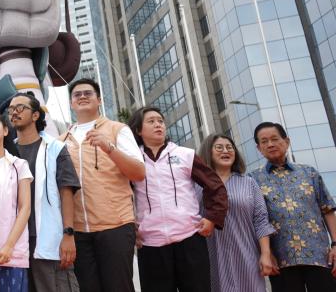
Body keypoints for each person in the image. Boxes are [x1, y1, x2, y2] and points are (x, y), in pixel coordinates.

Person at [58, 78, 145, 292]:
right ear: (71, 103)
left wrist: (109, 148)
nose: (82, 96)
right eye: (77, 94)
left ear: (99, 100)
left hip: (115, 225)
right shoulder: (60, 141)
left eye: (88, 93)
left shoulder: (118, 129)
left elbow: (138, 173)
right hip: (78, 230)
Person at [128, 107, 227, 292]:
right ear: (138, 130)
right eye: (151, 121)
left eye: (160, 121)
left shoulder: (185, 154)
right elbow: (120, 196)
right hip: (150, 243)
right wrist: (130, 227)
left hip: (190, 238)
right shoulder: (132, 161)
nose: (158, 124)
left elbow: (215, 186)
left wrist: (212, 218)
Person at [249, 122, 336, 291]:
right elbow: (256, 220)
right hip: (281, 261)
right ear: (259, 148)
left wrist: (335, 244)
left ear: (286, 141)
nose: (270, 144)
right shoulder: (252, 179)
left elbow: (327, 210)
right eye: (264, 141)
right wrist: (266, 253)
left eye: (275, 139)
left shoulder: (309, 172)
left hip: (319, 256)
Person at [8, 92, 80, 292]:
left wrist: (68, 234)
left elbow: (66, 192)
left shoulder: (55, 148)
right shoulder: (7, 152)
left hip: (47, 236)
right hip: (14, 238)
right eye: (11, 109)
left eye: (20, 108)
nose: (14, 113)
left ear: (35, 115)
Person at [196, 133, 276, 292]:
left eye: (229, 147)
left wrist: (266, 254)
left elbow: (261, 220)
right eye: (219, 147)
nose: (225, 151)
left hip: (246, 255)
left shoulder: (249, 183)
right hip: (211, 256)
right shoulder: (197, 185)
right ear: (208, 152)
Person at [0, 112, 33, 292]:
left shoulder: (19, 165)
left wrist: (9, 245)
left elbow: (25, 208)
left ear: (5, 130)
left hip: (12, 232)